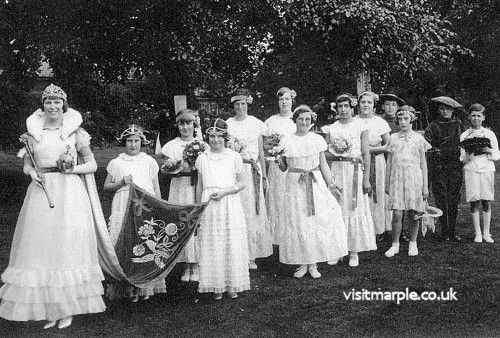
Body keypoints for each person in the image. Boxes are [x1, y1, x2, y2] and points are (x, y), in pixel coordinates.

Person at [0, 84, 105, 329]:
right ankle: (49, 308)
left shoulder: (75, 133)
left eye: (57, 102)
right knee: (42, 246)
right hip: (41, 191)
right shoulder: (32, 135)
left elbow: (92, 165)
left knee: (66, 246)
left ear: (64, 106)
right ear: (43, 106)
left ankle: (67, 308)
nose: (53, 106)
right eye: (48, 102)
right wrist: (30, 173)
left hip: (69, 193)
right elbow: (28, 164)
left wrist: (71, 169)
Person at [277, 105, 348, 278]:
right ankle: (302, 263)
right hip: (294, 184)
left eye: (307, 119)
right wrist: (277, 157)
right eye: (300, 119)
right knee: (298, 221)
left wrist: (331, 184)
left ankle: (313, 263)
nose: (304, 122)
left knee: (315, 221)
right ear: (295, 120)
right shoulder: (287, 140)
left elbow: (323, 164)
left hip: (314, 183)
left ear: (312, 121)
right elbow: (283, 167)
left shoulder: (316, 139)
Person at [104, 124, 166, 301]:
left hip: (145, 204)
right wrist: (121, 183)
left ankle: (144, 285)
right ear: (124, 143)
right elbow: (107, 187)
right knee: (125, 240)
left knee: (143, 240)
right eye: (129, 141)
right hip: (123, 203)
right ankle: (125, 286)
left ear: (142, 142)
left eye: (136, 141)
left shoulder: (149, 161)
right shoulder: (116, 162)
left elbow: (156, 187)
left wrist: (159, 206)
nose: (133, 145)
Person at [195, 118, 250, 300]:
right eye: (212, 136)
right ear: (207, 137)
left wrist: (226, 191)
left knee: (230, 242)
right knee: (213, 243)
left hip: (229, 202)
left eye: (219, 136)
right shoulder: (202, 158)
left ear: (225, 137)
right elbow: (199, 185)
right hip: (209, 203)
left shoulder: (234, 156)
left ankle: (231, 284)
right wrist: (197, 209)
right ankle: (216, 285)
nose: (216, 140)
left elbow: (242, 183)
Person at [322, 94, 376, 267]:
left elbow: (366, 153)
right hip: (337, 170)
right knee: (336, 208)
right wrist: (338, 150)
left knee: (354, 208)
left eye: (346, 106)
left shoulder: (361, 126)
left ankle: (354, 251)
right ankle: (338, 250)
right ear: (336, 109)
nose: (343, 110)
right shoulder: (332, 128)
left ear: (352, 108)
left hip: (354, 172)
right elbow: (326, 153)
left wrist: (366, 179)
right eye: (340, 107)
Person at [226, 88, 272, 269]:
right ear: (233, 106)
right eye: (237, 104)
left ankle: (252, 254)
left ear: (248, 104)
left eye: (243, 104)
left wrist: (265, 175)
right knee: (238, 210)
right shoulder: (228, 123)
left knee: (253, 210)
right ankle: (237, 254)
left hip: (253, 170)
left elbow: (261, 151)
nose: (240, 107)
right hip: (235, 170)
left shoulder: (256, 123)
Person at [161, 109, 202, 281]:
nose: (185, 127)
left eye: (189, 123)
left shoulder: (202, 144)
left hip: (195, 187)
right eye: (181, 123)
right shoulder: (171, 145)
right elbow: (164, 169)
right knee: (181, 221)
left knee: (196, 221)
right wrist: (172, 166)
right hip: (178, 187)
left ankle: (197, 264)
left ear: (194, 124)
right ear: (177, 125)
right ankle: (186, 264)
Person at [385, 106, 431, 257]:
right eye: (400, 119)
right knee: (397, 213)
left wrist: (425, 186)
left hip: (414, 178)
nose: (403, 122)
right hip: (397, 178)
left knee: (413, 212)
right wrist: (387, 183)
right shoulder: (393, 138)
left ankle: (413, 243)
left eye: (406, 118)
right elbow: (390, 162)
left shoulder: (419, 138)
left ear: (412, 119)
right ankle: (395, 244)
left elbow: (423, 164)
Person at [424, 96, 465, 241]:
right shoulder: (433, 126)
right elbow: (427, 147)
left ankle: (452, 231)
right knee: (441, 198)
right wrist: (436, 152)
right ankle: (444, 231)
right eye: (442, 108)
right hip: (438, 166)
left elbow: (464, 142)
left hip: (455, 166)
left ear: (453, 110)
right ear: (438, 110)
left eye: (448, 108)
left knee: (454, 198)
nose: (445, 111)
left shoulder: (459, 124)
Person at [460, 104, 499, 243]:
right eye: (473, 115)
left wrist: (488, 150)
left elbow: (497, 154)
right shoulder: (465, 135)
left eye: (478, 115)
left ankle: (487, 233)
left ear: (483, 117)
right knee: (474, 199)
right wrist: (467, 157)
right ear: (469, 117)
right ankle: (477, 233)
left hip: (487, 167)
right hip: (471, 168)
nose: (476, 118)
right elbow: (461, 156)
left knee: (487, 199)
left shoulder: (489, 134)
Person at [355, 91, 391, 238]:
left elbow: (389, 145)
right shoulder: (353, 121)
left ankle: (378, 229)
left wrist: (369, 149)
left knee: (378, 194)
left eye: (369, 103)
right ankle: (362, 230)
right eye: (363, 102)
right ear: (358, 104)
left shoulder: (380, 122)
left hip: (377, 161)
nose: (366, 105)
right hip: (359, 162)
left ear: (374, 106)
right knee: (360, 193)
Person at [264, 87, 297, 245]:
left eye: (287, 99)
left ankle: (293, 235)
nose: (284, 102)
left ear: (292, 100)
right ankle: (277, 238)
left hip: (293, 166)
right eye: (281, 99)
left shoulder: (297, 119)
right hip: (276, 166)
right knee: (277, 199)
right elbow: (264, 144)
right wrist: (273, 147)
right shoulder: (271, 121)